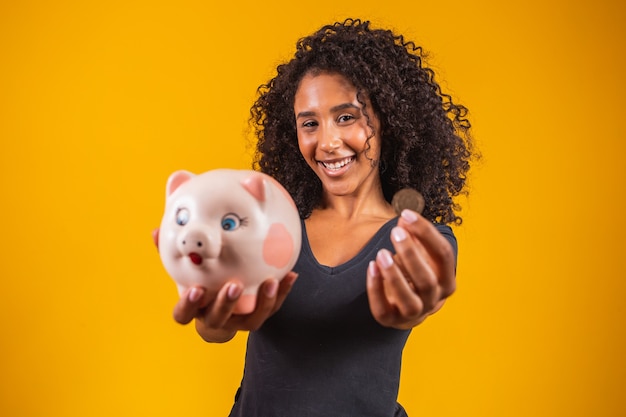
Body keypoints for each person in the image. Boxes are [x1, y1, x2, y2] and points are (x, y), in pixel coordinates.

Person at [165, 18, 476, 416]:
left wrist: (415, 305)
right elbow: (215, 328)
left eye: (346, 117)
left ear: (388, 121)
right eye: (309, 123)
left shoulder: (417, 240)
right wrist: (215, 314)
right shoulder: (268, 226)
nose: (327, 142)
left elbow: (424, 292)